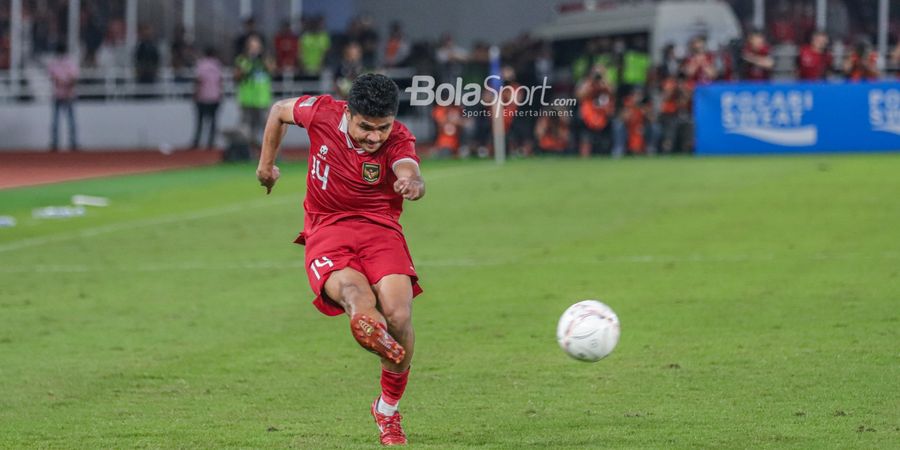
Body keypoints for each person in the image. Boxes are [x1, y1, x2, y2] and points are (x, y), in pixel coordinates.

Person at [255, 74, 424, 446]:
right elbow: (278, 111)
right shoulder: (320, 112)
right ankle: (365, 322)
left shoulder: (399, 138)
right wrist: (266, 165)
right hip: (326, 228)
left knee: (399, 314)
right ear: (349, 113)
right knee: (355, 296)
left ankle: (386, 410)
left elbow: (409, 168)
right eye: (366, 127)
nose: (374, 137)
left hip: (380, 229)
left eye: (382, 128)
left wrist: (413, 184)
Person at [235, 35, 274, 151]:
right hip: (247, 99)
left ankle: (271, 154)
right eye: (252, 46)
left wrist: (262, 59)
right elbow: (236, 76)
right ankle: (248, 152)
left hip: (262, 99)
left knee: (267, 128)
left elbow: (272, 70)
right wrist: (247, 66)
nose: (254, 49)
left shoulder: (266, 59)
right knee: (247, 129)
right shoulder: (242, 60)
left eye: (256, 46)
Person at [47, 42, 79, 151]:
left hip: (63, 94)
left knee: (63, 121)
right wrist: (66, 85)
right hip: (63, 94)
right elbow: (71, 78)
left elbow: (56, 78)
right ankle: (70, 143)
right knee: (64, 121)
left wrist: (63, 85)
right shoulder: (69, 62)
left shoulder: (56, 63)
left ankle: (64, 143)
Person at [192, 47, 222, 149]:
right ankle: (211, 143)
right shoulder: (217, 64)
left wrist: (195, 93)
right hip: (214, 97)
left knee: (200, 122)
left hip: (202, 97)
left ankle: (197, 142)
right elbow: (220, 81)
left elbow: (199, 80)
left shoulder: (201, 64)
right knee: (213, 122)